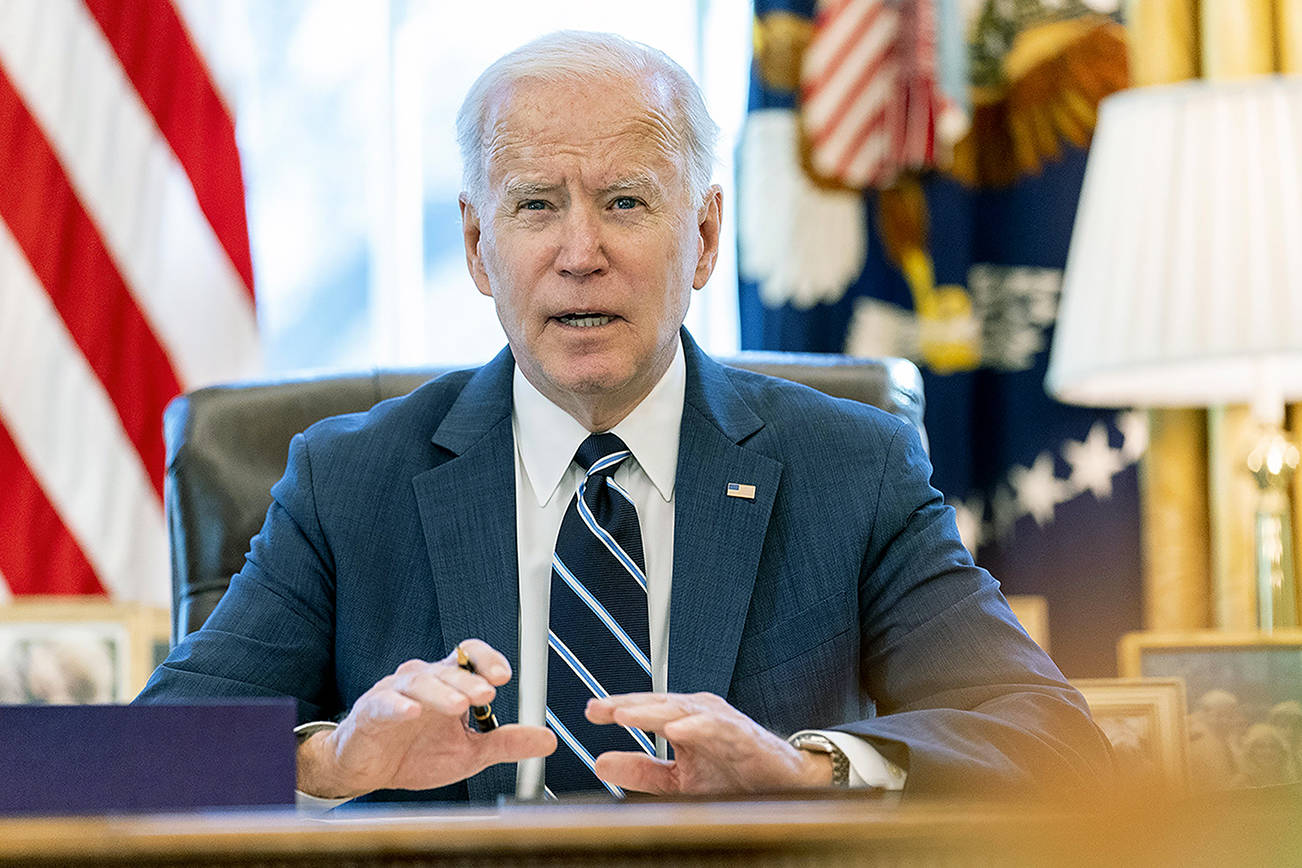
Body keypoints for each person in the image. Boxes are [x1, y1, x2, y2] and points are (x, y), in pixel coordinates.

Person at [137, 30, 1112, 804]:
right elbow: (148, 754)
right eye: (534, 207)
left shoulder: (851, 467)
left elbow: (1047, 735)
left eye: (626, 201)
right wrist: (332, 760)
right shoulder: (349, 481)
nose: (579, 252)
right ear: (478, 247)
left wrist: (806, 770)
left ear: (705, 237)